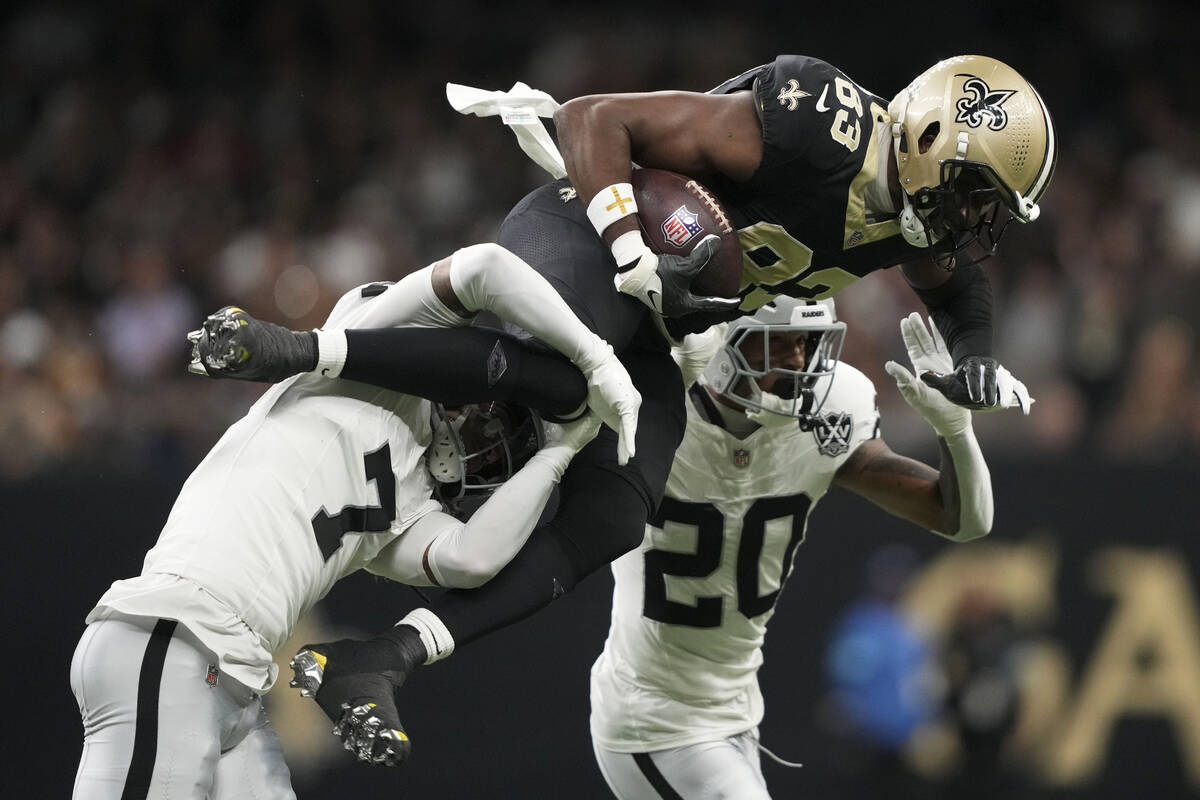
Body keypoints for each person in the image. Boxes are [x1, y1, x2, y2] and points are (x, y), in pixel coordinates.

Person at [198, 53, 1047, 766]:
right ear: (932, 135)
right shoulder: (818, 125)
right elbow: (594, 118)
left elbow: (963, 300)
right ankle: (296, 348)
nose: (972, 220)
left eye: (988, 210)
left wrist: (973, 367)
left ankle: (383, 655)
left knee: (619, 507)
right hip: (599, 235)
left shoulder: (915, 220)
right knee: (568, 378)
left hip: (671, 318)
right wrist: (627, 243)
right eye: (974, 193)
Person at [69, 242, 635, 798]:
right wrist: (594, 360)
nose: (487, 446)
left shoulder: (410, 503)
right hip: (173, 637)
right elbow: (485, 266)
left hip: (231, 680)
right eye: (500, 426)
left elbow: (474, 558)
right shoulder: (367, 360)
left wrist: (563, 448)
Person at [589, 302, 994, 799]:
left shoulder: (825, 417)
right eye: (777, 343)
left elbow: (964, 520)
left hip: (734, 710)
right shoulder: (647, 404)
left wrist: (955, 431)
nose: (799, 361)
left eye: (805, 342)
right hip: (653, 716)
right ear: (724, 344)